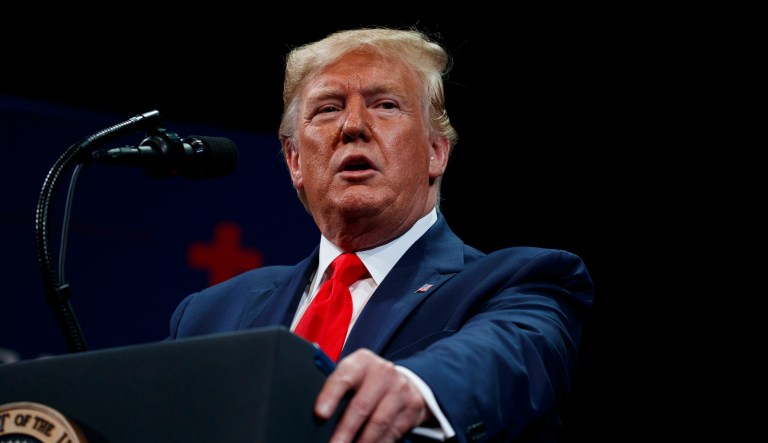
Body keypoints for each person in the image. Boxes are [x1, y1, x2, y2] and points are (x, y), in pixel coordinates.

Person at [167, 26, 594, 443]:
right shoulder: (208, 316)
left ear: (435, 151)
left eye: (386, 105)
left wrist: (415, 386)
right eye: (328, 108)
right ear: (294, 161)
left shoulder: (523, 282)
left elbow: (508, 355)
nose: (353, 125)